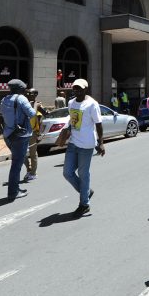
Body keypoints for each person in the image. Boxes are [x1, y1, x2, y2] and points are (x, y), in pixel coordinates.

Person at [63, 79, 103, 216]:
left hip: (87, 145)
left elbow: (98, 124)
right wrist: (66, 131)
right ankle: (86, 192)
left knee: (83, 174)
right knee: (67, 172)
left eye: (79, 88)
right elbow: (72, 120)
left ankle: (84, 204)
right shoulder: (71, 103)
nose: (76, 91)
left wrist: (101, 143)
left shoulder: (92, 104)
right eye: (74, 88)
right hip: (73, 143)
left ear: (86, 89)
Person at [1, 79, 39, 200]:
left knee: (16, 162)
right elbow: (32, 113)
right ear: (20, 89)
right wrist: (36, 106)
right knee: (16, 165)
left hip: (8, 135)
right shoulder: (22, 99)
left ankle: (16, 188)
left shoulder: (4, 99)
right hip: (20, 136)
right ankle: (13, 192)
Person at [24, 88, 47, 181]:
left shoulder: (38, 105)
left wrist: (39, 134)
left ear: (35, 95)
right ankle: (29, 169)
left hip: (33, 132)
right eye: (28, 93)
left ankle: (33, 173)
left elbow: (41, 120)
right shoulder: (25, 104)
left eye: (31, 93)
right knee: (22, 154)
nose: (28, 95)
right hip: (24, 132)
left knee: (33, 153)